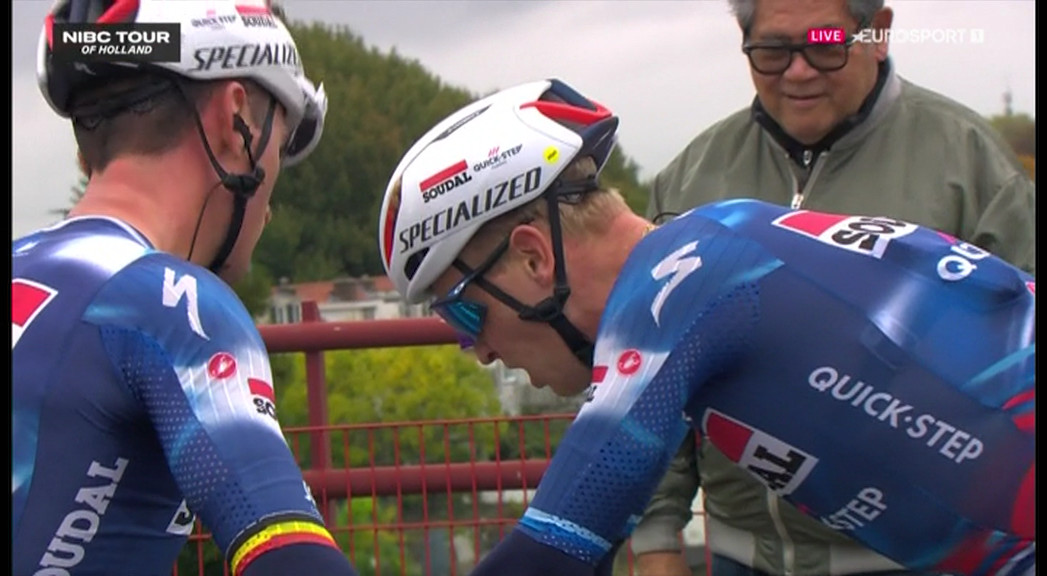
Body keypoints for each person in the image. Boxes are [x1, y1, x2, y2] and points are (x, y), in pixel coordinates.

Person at [376, 79, 1035, 576]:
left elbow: (552, 551)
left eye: (463, 312)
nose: (478, 351)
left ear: (532, 256)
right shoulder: (711, 243)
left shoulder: (671, 297)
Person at [637, 0, 1036, 574]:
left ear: (879, 33)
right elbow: (652, 372)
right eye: (772, 51)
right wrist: (656, 538)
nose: (798, 71)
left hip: (922, 560)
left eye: (826, 45)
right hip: (737, 556)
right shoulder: (689, 180)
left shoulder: (973, 168)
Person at [12, 1, 359, 575]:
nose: (271, 205)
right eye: (279, 149)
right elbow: (292, 562)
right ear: (236, 119)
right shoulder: (172, 303)